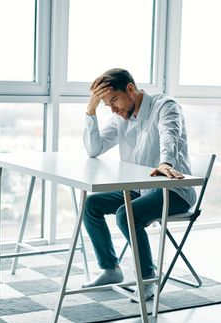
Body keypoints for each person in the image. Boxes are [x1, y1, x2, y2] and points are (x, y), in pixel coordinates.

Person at [81, 68, 196, 301]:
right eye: (107, 105)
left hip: (174, 191)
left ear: (130, 89)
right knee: (91, 204)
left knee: (127, 214)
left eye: (114, 100)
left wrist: (166, 162)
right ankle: (111, 269)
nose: (113, 109)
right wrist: (90, 111)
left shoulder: (165, 106)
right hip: (141, 190)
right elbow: (95, 149)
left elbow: (169, 134)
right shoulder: (120, 117)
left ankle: (147, 279)